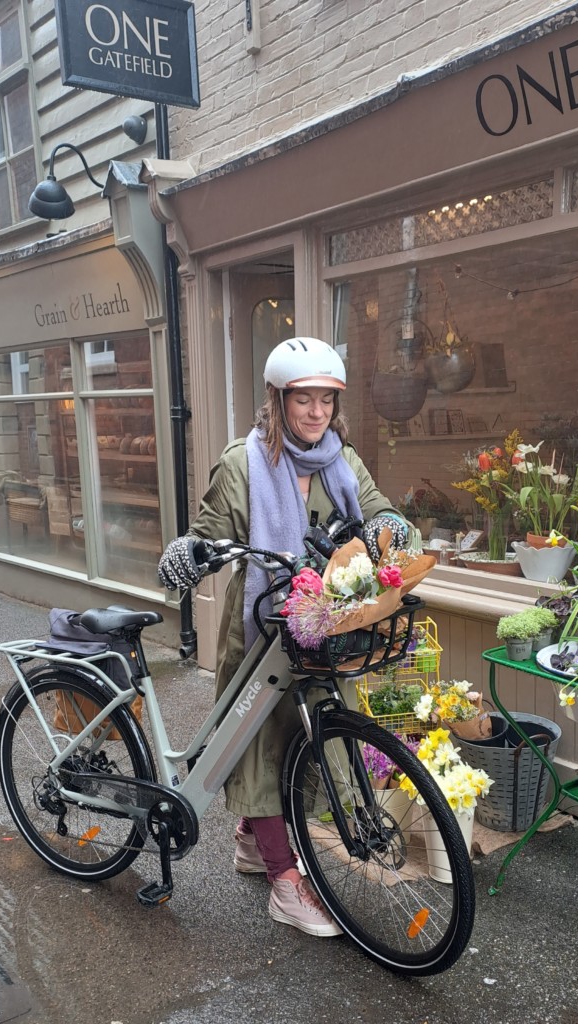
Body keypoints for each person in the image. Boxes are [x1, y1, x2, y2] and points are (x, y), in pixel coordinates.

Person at [157, 337, 414, 938]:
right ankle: (283, 881)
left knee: (319, 737)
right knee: (261, 747)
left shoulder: (342, 462)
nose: (317, 412)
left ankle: (250, 839)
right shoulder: (242, 463)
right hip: (261, 628)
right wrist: (187, 554)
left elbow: (379, 511)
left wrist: (392, 532)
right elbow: (207, 531)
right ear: (278, 401)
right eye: (304, 399)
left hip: (325, 628)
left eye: (325, 399)